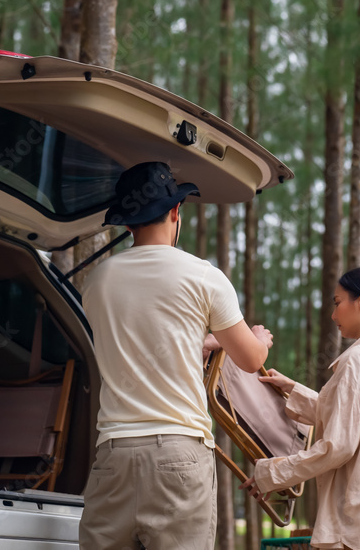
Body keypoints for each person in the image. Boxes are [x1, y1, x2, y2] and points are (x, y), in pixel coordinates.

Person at [78, 161, 273, 550]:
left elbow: (139, 340)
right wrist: (259, 339)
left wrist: (202, 343)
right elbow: (251, 360)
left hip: (112, 455)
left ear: (128, 223)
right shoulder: (203, 277)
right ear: (175, 212)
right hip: (178, 454)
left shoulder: (96, 282)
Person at [242, 267, 360, 550]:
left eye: (337, 303)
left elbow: (339, 445)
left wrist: (271, 473)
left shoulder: (359, 359)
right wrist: (293, 389)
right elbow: (354, 418)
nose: (334, 315)